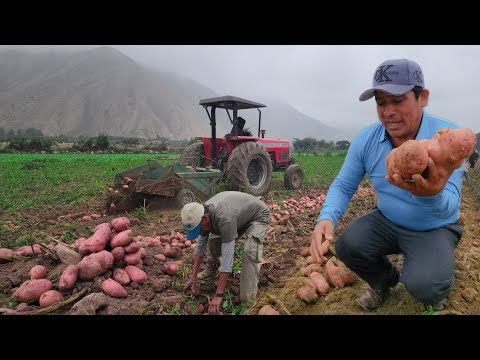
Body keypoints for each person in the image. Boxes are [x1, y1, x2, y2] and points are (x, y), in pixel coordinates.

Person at [310, 58, 464, 312]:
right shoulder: (367, 139)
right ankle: (384, 280)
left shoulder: (446, 138)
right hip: (388, 221)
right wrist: (326, 217)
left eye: (397, 100)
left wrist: (432, 194)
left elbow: (451, 205)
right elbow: (343, 184)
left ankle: (437, 278)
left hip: (433, 227)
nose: (388, 112)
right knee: (347, 245)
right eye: (381, 103)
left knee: (426, 287)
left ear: (422, 97)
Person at [181, 191, 270, 315]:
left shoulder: (225, 218)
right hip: (238, 216)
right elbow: (200, 248)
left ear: (205, 218)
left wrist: (219, 294)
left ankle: (248, 301)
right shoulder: (201, 213)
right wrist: (193, 277)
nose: (200, 232)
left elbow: (228, 259)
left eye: (198, 229)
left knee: (250, 252)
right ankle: (213, 268)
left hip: (257, 216)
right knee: (212, 239)